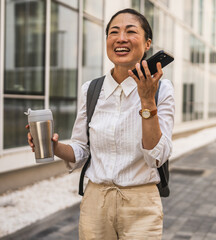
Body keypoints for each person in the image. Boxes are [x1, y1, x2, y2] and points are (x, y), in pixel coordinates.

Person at [27, 8, 174, 240]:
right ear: (107, 41)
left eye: (130, 31)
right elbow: (81, 149)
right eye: (113, 32)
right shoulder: (91, 90)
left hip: (141, 204)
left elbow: (156, 157)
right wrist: (53, 146)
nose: (121, 38)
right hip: (95, 202)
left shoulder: (161, 90)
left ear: (147, 44)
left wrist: (147, 100)